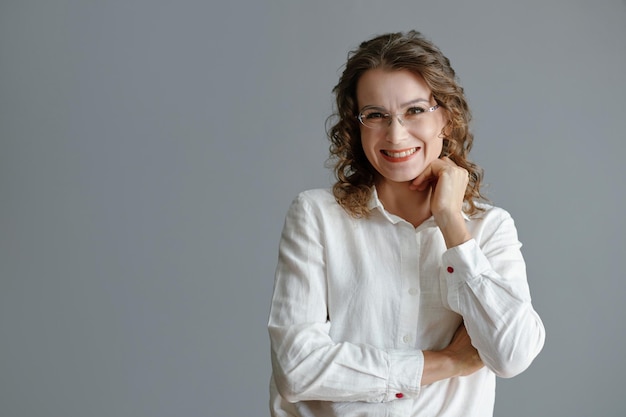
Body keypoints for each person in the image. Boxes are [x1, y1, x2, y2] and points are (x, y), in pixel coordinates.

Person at [267, 30, 545, 417]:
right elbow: (296, 370)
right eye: (376, 115)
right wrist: (448, 361)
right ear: (356, 126)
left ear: (446, 119)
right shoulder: (316, 216)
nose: (396, 135)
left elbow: (511, 355)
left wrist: (450, 221)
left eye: (415, 110)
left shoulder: (488, 228)